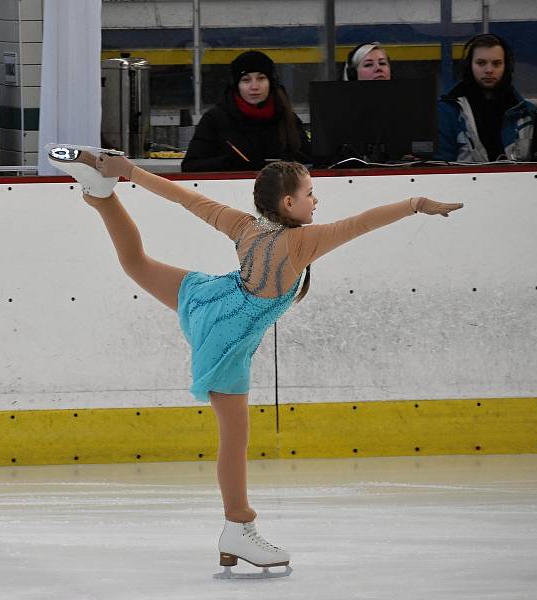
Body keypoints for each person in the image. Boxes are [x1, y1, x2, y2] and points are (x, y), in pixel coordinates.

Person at [47, 144, 462, 577]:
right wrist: (416, 204)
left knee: (136, 263)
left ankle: (100, 194)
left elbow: (186, 198)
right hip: (229, 339)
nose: (315, 200)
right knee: (234, 439)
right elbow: (361, 224)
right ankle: (237, 527)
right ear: (288, 203)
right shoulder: (301, 243)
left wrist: (129, 171)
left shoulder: (246, 227)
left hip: (212, 300)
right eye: (309, 193)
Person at [181, 50, 310, 172]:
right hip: (231, 191)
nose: (254, 87)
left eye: (261, 78)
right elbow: (190, 166)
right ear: (236, 85)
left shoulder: (286, 116)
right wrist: (230, 164)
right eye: (246, 80)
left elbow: (309, 160)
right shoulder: (215, 119)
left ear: (271, 82)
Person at [435, 34, 536, 162]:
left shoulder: (526, 112)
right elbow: (440, 167)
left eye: (497, 63)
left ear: (507, 67)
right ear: (469, 66)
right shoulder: (448, 111)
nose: (489, 70)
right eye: (481, 63)